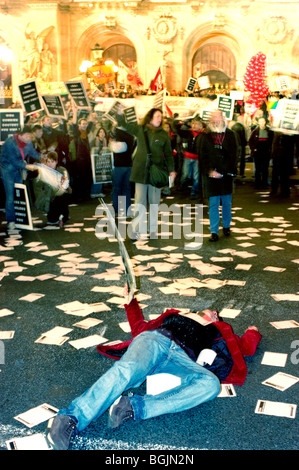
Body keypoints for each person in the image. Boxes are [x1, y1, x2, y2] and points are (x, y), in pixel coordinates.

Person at [46, 294, 261, 450]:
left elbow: (246, 348)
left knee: (211, 385)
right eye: (211, 310)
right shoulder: (177, 314)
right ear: (199, 311)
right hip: (155, 340)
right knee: (127, 371)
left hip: (181, 359)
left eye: (217, 315)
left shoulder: (219, 331)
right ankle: (70, 418)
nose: (214, 312)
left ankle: (133, 407)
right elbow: (139, 327)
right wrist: (130, 302)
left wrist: (253, 332)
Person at [116, 108, 175, 239]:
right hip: (140, 172)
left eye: (161, 116)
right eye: (157, 116)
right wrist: (120, 116)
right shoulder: (140, 130)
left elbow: (169, 155)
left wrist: (171, 170)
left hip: (156, 173)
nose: (160, 119)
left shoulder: (164, 134)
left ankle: (152, 230)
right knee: (139, 202)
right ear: (150, 117)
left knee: (154, 202)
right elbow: (126, 126)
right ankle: (136, 229)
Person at [200, 109, 238, 242]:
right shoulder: (206, 135)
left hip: (226, 173)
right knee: (213, 204)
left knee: (227, 202)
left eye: (218, 116)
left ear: (222, 117)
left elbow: (234, 155)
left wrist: (225, 170)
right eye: (213, 116)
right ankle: (214, 231)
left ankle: (226, 226)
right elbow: (203, 156)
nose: (216, 119)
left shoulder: (230, 134)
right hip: (212, 175)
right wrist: (210, 171)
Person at [0, 126, 40, 231]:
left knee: (19, 194)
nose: (29, 139)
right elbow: (14, 161)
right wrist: (27, 166)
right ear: (20, 135)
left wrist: (44, 158)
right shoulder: (10, 143)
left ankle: (20, 219)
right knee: (10, 196)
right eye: (27, 136)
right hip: (7, 170)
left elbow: (33, 153)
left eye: (30, 136)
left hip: (18, 169)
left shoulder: (28, 142)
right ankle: (11, 221)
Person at [33, 151, 71, 225]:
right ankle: (56, 214)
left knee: (62, 195)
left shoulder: (62, 170)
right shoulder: (43, 172)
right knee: (52, 220)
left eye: (52, 162)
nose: (50, 164)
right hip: (49, 197)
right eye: (48, 162)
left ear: (56, 162)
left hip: (61, 194)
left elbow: (66, 185)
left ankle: (64, 214)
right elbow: (37, 186)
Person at [175, 116, 204, 199]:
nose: (195, 126)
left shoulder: (203, 135)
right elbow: (178, 131)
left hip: (197, 158)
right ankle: (182, 188)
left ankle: (194, 191)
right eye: (193, 124)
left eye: (197, 124)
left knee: (196, 176)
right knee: (186, 174)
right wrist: (179, 124)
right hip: (188, 156)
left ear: (201, 126)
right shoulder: (188, 133)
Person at [109, 125, 135, 217]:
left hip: (118, 167)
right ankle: (127, 209)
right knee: (126, 189)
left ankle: (116, 209)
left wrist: (111, 143)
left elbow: (114, 148)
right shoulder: (131, 137)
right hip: (128, 165)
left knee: (116, 189)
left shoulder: (118, 137)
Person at [248, 116, 273, 189]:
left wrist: (270, 150)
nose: (262, 123)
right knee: (258, 168)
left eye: (263, 122)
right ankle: (257, 183)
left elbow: (271, 141)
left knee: (265, 168)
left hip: (266, 152)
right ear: (258, 123)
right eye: (260, 122)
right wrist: (253, 149)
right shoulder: (255, 132)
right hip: (257, 153)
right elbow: (250, 141)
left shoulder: (269, 131)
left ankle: (264, 183)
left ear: (265, 122)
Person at [90, 127, 109, 198]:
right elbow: (91, 150)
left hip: (102, 161)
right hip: (95, 161)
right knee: (96, 176)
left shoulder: (105, 140)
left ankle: (99, 191)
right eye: (100, 132)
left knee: (101, 176)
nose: (102, 133)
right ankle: (94, 192)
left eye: (103, 132)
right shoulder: (95, 140)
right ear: (98, 133)